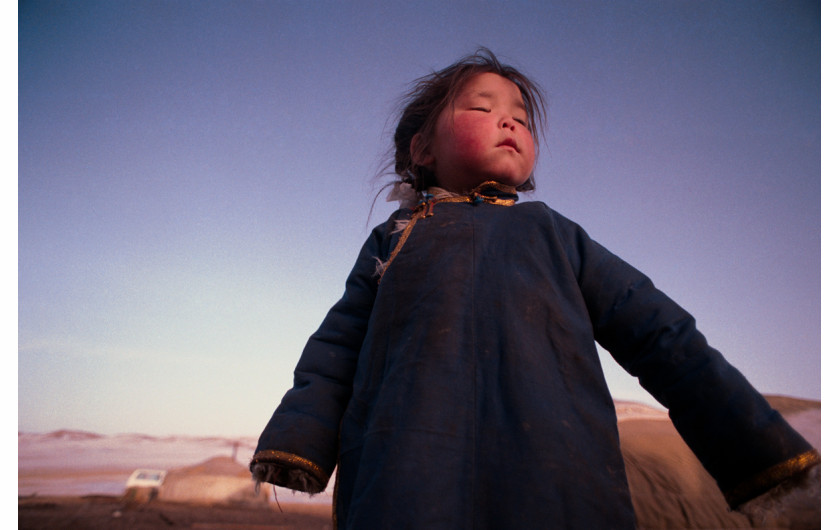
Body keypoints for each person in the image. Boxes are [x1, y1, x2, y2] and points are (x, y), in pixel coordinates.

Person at [250, 49, 819, 529]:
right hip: (404, 468)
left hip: (557, 475)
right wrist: (300, 439)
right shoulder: (394, 239)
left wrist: (754, 446)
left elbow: (661, 334)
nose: (511, 122)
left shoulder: (555, 235)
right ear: (422, 150)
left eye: (522, 117)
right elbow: (337, 347)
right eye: (482, 107)